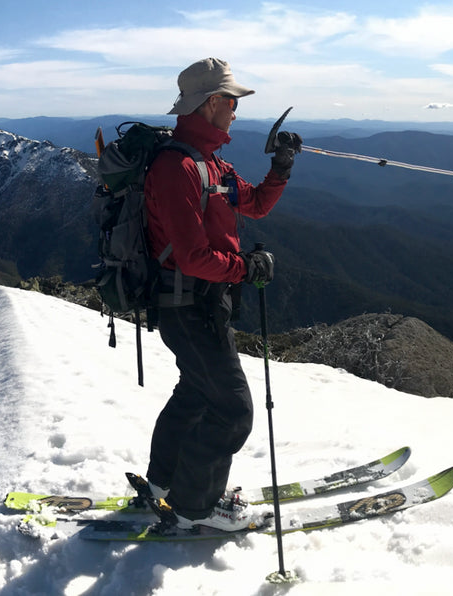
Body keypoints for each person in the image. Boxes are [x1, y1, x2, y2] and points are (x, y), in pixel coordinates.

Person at [142, 57, 301, 532]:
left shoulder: (210, 162)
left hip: (203, 305)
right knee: (233, 410)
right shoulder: (178, 169)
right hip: (186, 305)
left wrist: (281, 167)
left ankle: (164, 486)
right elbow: (191, 257)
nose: (236, 111)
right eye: (231, 102)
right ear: (212, 103)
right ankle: (196, 506)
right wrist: (244, 268)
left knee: (195, 393)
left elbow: (252, 205)